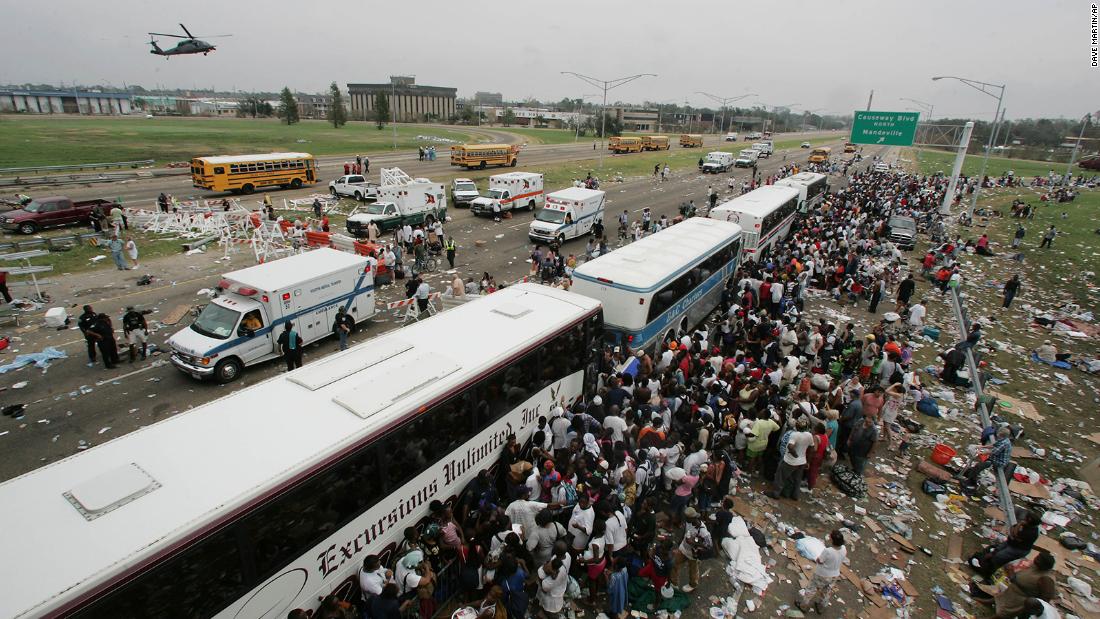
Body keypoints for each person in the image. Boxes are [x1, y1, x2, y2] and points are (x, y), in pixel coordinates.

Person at [991, 552, 1058, 619]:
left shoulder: (1047, 579)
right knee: (1006, 592)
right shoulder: (1036, 566)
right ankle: (992, 601)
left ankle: (1000, 616)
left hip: (1025, 598)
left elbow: (1044, 600)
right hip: (1015, 589)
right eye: (1037, 557)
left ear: (1045, 565)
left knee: (1006, 611)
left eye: (1039, 559)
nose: (1036, 560)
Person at [797, 529, 847, 614]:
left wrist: (817, 558)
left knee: (811, 589)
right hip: (835, 574)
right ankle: (821, 607)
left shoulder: (828, 551)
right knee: (826, 591)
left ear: (832, 540)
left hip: (822, 574)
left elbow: (819, 560)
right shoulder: (843, 549)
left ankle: (803, 605)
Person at [670, 507, 711, 592]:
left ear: (693, 518)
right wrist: (680, 542)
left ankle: (693, 585)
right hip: (683, 549)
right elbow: (685, 532)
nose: (685, 519)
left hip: (693, 554)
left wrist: (693, 542)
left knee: (693, 571)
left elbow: (708, 545)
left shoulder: (703, 531)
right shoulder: (689, 523)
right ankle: (674, 583)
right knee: (674, 564)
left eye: (687, 517)